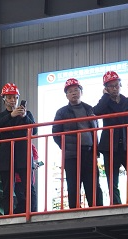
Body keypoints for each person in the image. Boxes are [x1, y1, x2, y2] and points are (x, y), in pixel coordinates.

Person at [52, 78, 104, 209]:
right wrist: (66, 147)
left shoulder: (89, 109)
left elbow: (95, 128)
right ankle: (75, 212)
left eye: (76, 90)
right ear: (66, 95)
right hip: (71, 155)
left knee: (93, 184)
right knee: (73, 185)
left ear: (81, 92)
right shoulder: (61, 112)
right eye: (70, 91)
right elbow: (56, 133)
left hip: (89, 152)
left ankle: (97, 211)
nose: (74, 93)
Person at [93, 70, 128, 205]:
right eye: (111, 86)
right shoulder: (105, 103)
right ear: (106, 88)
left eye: (116, 85)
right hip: (110, 147)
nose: (114, 88)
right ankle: (116, 205)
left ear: (120, 85)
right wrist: (105, 97)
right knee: (112, 181)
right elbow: (96, 112)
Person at [0, 83, 37, 214]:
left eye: (15, 97)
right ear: (4, 99)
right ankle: (8, 215)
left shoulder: (27, 114)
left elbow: (34, 130)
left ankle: (32, 212)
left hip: (23, 154)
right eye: (9, 97)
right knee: (7, 187)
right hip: (7, 155)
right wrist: (11, 115)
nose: (13, 100)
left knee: (28, 186)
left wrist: (24, 117)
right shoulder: (0, 116)